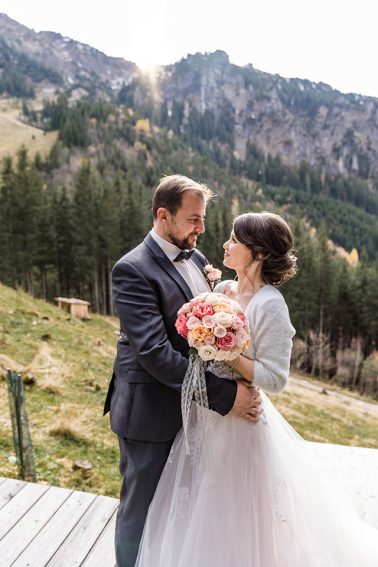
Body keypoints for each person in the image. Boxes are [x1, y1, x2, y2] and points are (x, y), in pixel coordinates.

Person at [135, 212, 378, 566]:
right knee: (201, 506)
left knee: (236, 513)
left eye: (235, 240)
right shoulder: (221, 290)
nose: (226, 244)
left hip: (240, 427)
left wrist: (225, 353)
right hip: (207, 415)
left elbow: (277, 378)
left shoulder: (271, 305)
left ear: (259, 253)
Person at [103, 175, 261, 567]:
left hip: (193, 411)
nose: (201, 228)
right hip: (150, 412)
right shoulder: (132, 270)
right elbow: (154, 352)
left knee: (179, 508)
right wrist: (226, 398)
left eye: (203, 219)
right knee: (140, 510)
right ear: (163, 216)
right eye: (193, 219)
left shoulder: (196, 258)